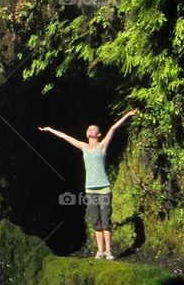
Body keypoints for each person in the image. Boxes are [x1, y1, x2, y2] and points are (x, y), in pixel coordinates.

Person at [38, 110, 139, 259]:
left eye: (93, 129)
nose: (89, 130)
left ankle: (109, 251)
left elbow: (113, 128)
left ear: (98, 134)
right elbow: (66, 137)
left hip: (104, 188)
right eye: (88, 129)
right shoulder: (84, 147)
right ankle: (100, 251)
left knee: (106, 220)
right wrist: (50, 129)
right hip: (90, 189)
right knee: (96, 221)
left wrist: (128, 115)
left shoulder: (102, 146)